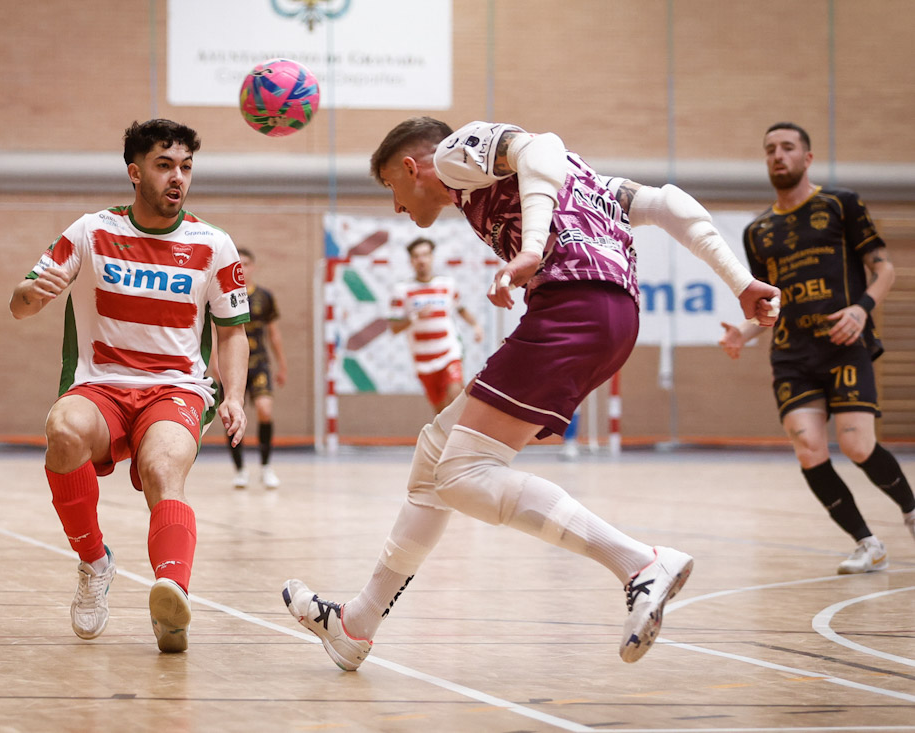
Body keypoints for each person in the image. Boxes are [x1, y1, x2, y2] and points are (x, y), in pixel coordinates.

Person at [283, 117, 781, 670]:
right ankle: (356, 624)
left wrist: (532, 249)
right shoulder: (584, 179)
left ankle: (640, 563)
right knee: (434, 457)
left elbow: (540, 145)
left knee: (462, 474)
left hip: (574, 308)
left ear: (409, 167)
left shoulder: (451, 156)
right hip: (612, 317)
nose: (397, 206)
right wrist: (740, 282)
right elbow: (667, 203)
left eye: (390, 188)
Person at [9, 119, 250, 653]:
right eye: (165, 166)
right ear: (135, 173)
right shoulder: (90, 231)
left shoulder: (213, 244)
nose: (178, 178)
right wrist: (34, 293)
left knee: (163, 468)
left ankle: (172, 598)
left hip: (176, 389)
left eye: (186, 167)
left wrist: (233, 396)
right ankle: (94, 562)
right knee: (63, 430)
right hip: (101, 385)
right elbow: (19, 306)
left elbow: (233, 332)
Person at [720, 122, 915, 574]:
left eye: (788, 147)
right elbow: (769, 305)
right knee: (808, 447)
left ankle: (910, 510)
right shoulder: (757, 231)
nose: (778, 155)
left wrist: (862, 310)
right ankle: (867, 544)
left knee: (857, 444)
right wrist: (743, 333)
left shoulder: (840, 204)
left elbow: (885, 270)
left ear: (807, 158)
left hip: (844, 344)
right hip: (792, 354)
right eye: (770, 148)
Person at [389, 236, 484, 413]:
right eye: (417, 256)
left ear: (432, 257)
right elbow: (394, 327)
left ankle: (464, 431)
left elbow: (461, 309)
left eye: (425, 255)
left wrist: (476, 326)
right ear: (411, 261)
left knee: (456, 399)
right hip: (423, 361)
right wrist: (414, 317)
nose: (422, 260)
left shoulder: (447, 285)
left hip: (449, 353)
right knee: (441, 412)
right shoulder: (402, 290)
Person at [227, 247, 288, 489]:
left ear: (253, 267)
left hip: (259, 362)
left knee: (265, 409)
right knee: (233, 416)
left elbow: (274, 333)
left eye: (246, 264)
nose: (242, 269)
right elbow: (217, 332)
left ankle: (265, 467)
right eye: (238, 264)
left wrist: (282, 365)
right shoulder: (226, 295)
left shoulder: (265, 296)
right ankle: (240, 470)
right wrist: (217, 366)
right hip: (233, 365)